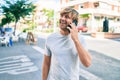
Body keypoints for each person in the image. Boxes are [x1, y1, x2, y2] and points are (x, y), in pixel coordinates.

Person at [42, 7, 92, 80]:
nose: (62, 18)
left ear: (74, 22)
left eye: (66, 17)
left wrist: (76, 40)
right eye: (61, 16)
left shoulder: (80, 39)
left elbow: (87, 63)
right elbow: (46, 63)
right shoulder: (50, 38)